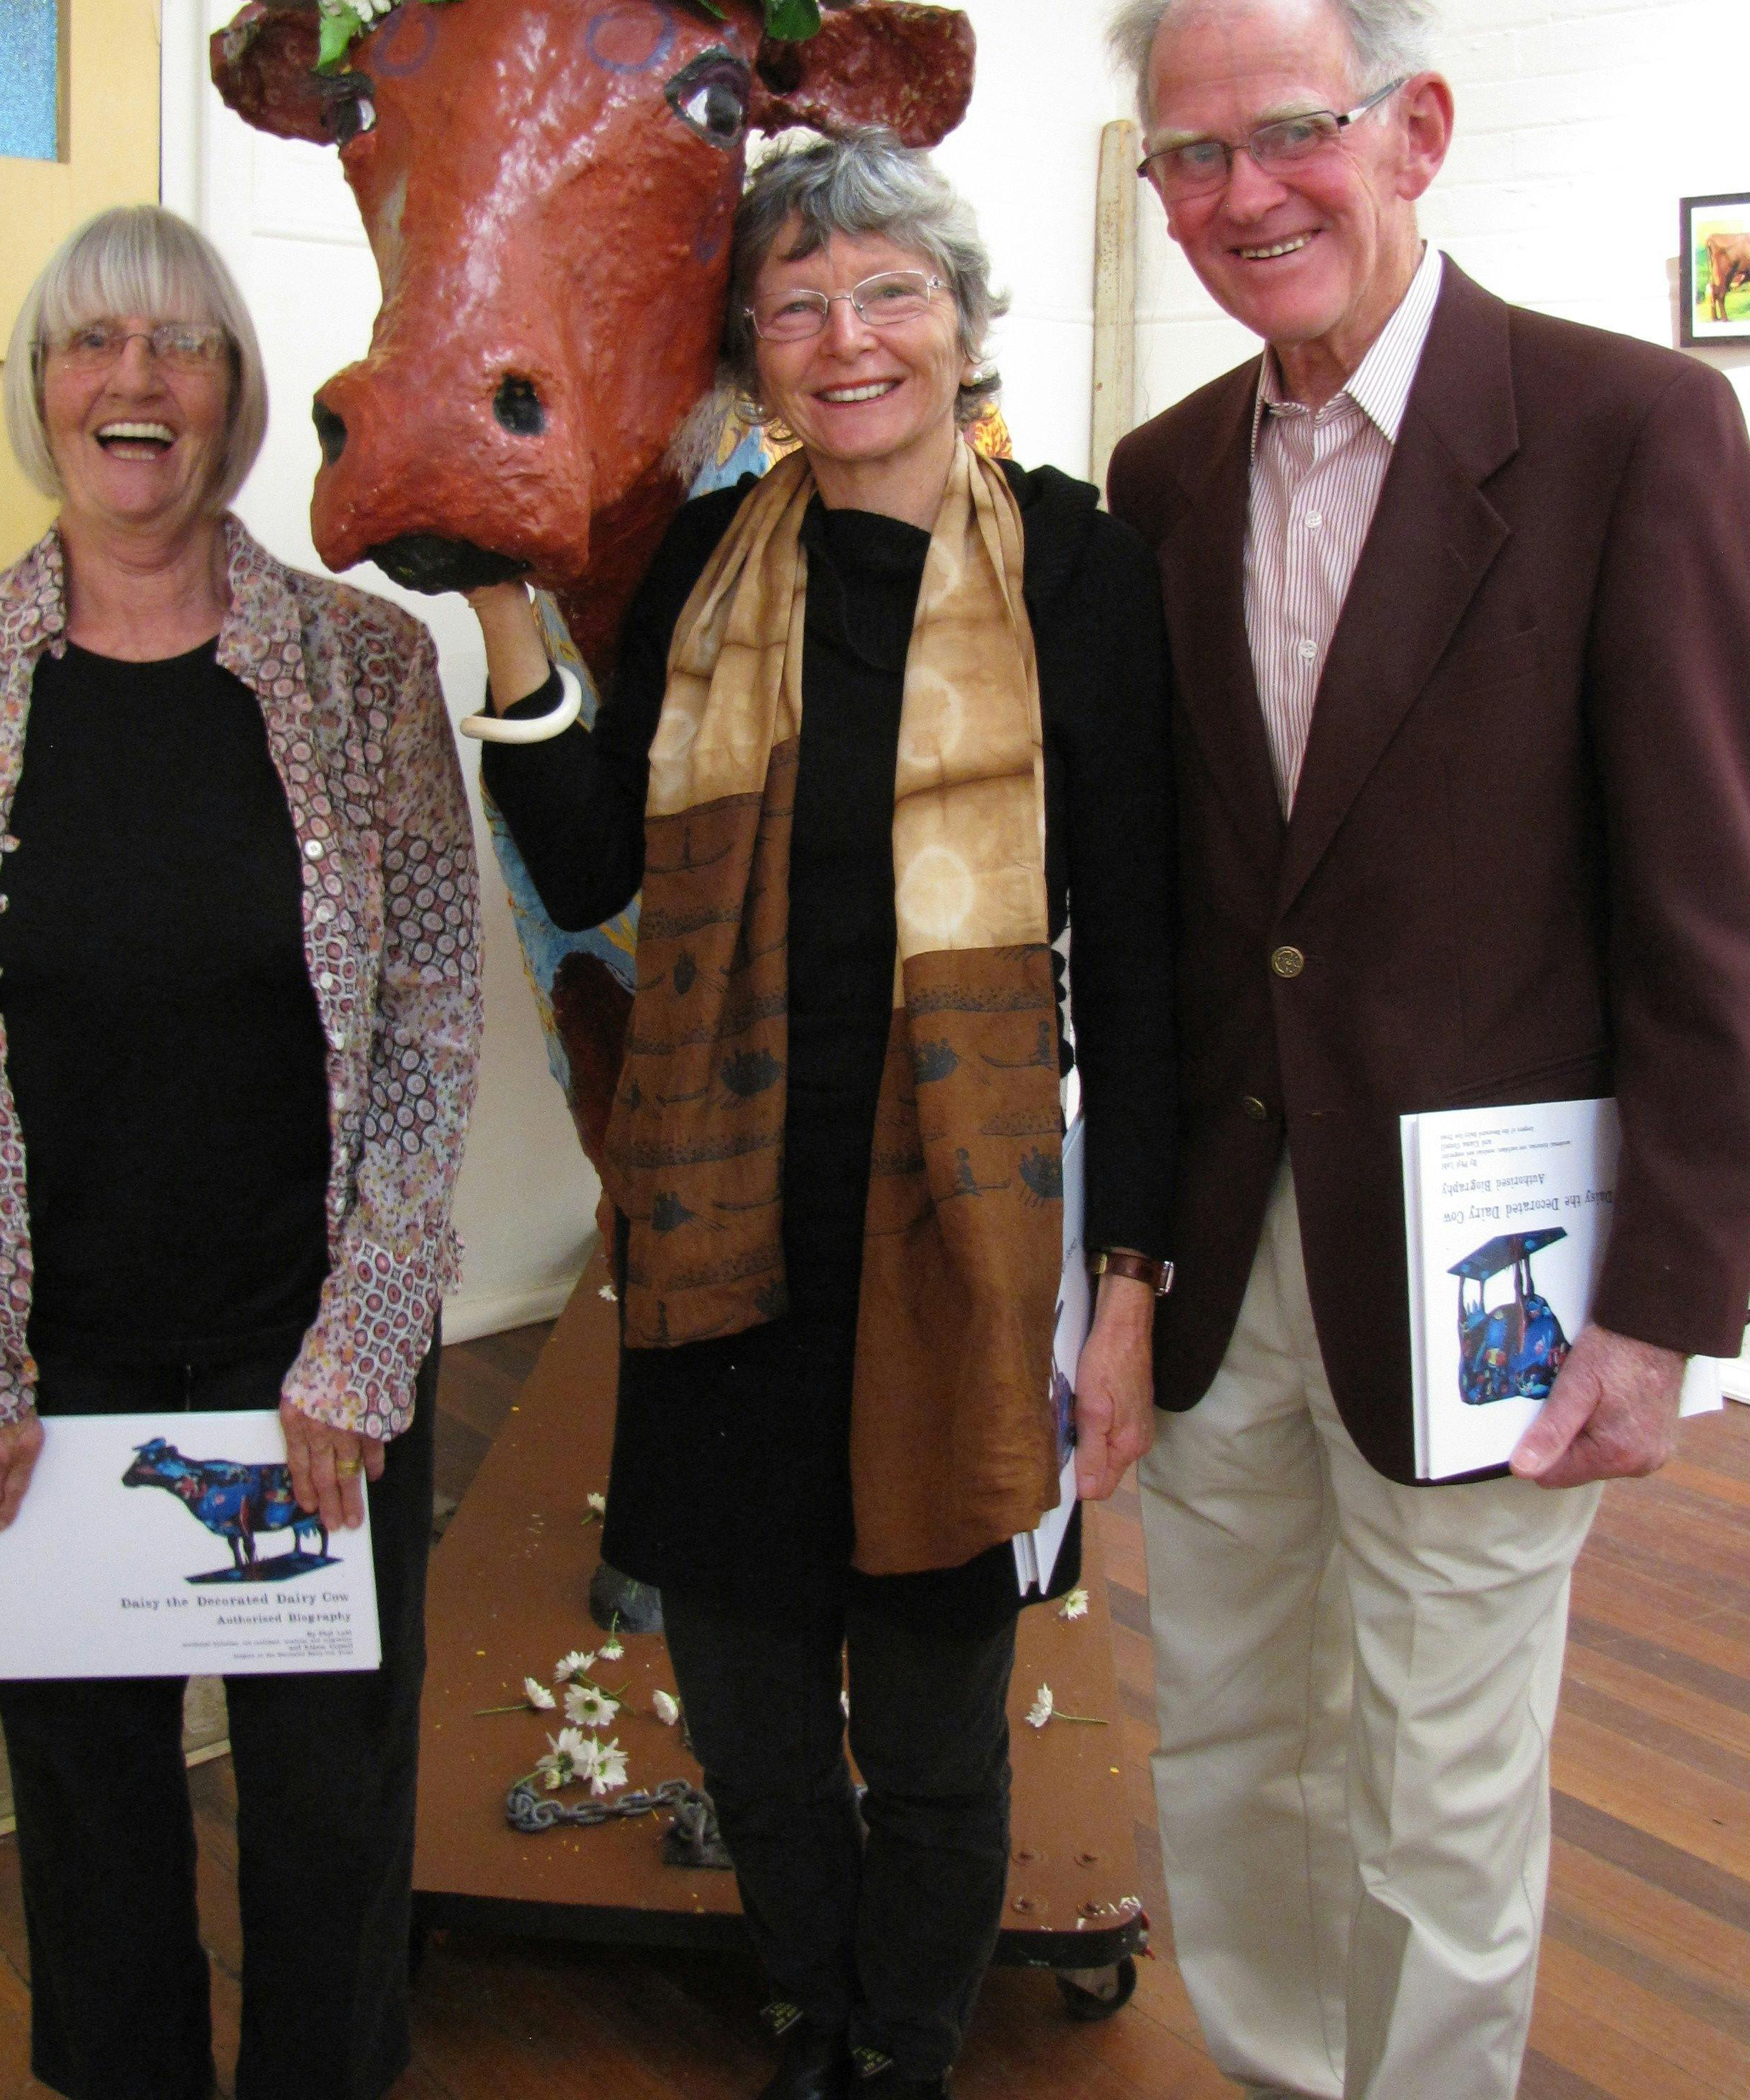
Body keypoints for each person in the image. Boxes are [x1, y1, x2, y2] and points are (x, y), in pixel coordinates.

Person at [1104, 0, 1750, 2100]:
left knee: (1444, 1786)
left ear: (1417, 132)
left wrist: (1665, 1304)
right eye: (1191, 156)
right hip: (1225, 1245)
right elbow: (1188, 916)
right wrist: (1120, 1268)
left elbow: (1712, 912)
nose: (1244, 194)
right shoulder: (1166, 475)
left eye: (1292, 131)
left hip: (1495, 1266)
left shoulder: (1631, 431)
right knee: (1231, 1744)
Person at [466, 131, 1175, 2100]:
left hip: (951, 1237)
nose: (844, 337)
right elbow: (597, 853)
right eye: (795, 304)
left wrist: (1128, 1284)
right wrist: (512, 622)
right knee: (755, 1705)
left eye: (888, 292)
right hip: (722, 1229)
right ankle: (812, 2008)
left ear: (962, 322)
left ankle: (908, 2050)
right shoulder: (706, 563)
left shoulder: (1079, 568)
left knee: (942, 1722)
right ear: (754, 358)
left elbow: (1136, 954)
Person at [0, 205, 482, 2100]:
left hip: (311, 1361)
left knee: (328, 1808)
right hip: (57, 1367)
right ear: (43, 391)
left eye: (182, 345)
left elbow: (437, 1012)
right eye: (92, 343)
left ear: (235, 397)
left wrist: (367, 1340)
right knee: (92, 1812)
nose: (136, 382)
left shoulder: (364, 670)